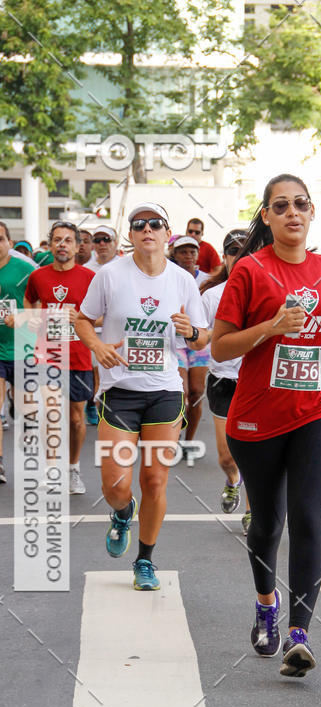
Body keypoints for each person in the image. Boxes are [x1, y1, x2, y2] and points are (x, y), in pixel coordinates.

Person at [211, 174, 321, 677]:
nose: (293, 213)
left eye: (301, 205)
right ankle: (266, 603)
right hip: (257, 416)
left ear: (312, 214)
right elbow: (219, 347)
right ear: (266, 217)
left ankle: (299, 633)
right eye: (281, 206)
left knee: (309, 516)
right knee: (268, 523)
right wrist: (270, 328)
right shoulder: (249, 270)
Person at [76, 202, 208, 590]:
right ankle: (122, 513)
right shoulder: (110, 275)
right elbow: (83, 320)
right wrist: (97, 348)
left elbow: (204, 336)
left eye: (155, 224)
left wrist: (191, 333)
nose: (147, 229)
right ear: (130, 235)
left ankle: (145, 561)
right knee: (114, 484)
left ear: (167, 233)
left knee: (154, 480)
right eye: (138, 225)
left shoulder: (183, 280)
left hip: (165, 391)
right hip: (120, 391)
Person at [24, 222, 95, 494]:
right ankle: (51, 470)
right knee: (52, 412)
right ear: (50, 245)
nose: (62, 244)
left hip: (79, 357)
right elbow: (30, 301)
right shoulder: (38, 276)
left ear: (78, 247)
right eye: (57, 240)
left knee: (76, 419)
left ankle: (73, 469)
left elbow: (103, 314)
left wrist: (82, 318)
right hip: (47, 355)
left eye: (67, 240)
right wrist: (32, 319)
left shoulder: (89, 278)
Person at [196, 229, 251, 532]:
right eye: (233, 252)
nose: (239, 257)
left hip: (256, 381)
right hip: (223, 380)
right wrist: (194, 336)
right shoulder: (212, 295)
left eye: (246, 251)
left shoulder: (266, 289)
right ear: (225, 257)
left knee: (256, 453)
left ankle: (253, 509)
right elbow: (201, 335)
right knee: (226, 456)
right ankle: (233, 480)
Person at [0, 222, 36, 483]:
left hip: (24, 348)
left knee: (28, 411)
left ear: (9, 243)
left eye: (0, 239)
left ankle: (32, 462)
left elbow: (42, 305)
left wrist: (23, 316)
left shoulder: (26, 270)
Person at [171, 235, 211, 452]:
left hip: (198, 341)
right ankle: (173, 435)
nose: (188, 256)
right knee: (181, 391)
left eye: (192, 252)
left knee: (196, 391)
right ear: (175, 254)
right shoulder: (168, 276)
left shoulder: (207, 279)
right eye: (183, 252)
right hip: (174, 342)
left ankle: (189, 441)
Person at [84, 225, 120, 426]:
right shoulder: (87, 268)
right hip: (90, 329)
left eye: (106, 239)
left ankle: (99, 406)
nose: (102, 243)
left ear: (114, 242)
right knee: (91, 371)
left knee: (101, 371)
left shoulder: (124, 266)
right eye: (97, 240)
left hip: (114, 330)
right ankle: (92, 401)